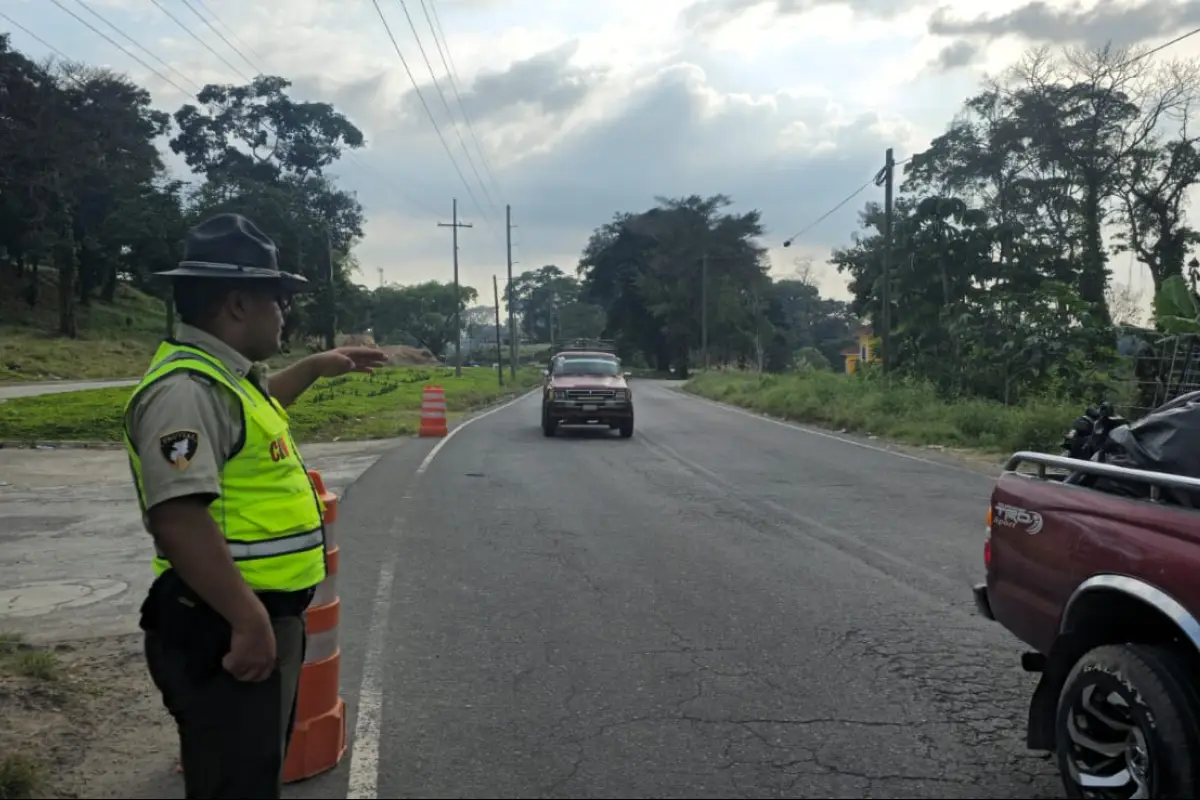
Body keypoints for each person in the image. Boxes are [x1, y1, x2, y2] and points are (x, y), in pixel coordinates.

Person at [121, 212, 387, 799]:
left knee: (250, 771)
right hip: (223, 622)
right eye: (277, 298)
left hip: (249, 616)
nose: (284, 312)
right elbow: (178, 517)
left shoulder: (227, 382)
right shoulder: (185, 391)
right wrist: (247, 619)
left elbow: (254, 414)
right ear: (238, 305)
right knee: (233, 783)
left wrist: (318, 367)